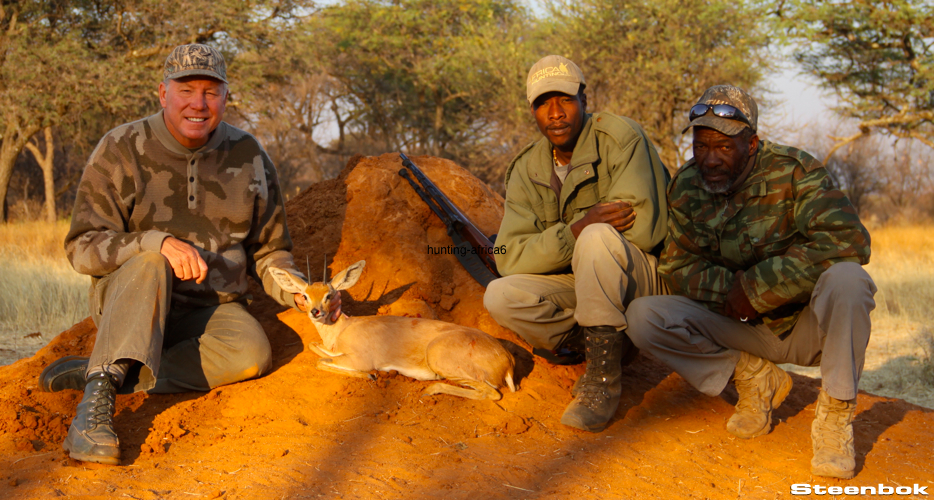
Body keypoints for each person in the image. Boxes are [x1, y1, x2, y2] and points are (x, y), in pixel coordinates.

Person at [37, 44, 337, 465]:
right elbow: (81, 247)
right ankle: (93, 412)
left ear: (226, 98)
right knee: (151, 261)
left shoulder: (250, 157)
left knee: (253, 353)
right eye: (186, 89)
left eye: (211, 92)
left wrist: (300, 293)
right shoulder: (121, 147)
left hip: (212, 308)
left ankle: (117, 372)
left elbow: (270, 252)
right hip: (131, 302)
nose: (199, 103)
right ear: (163, 93)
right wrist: (152, 242)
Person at [626, 85, 875, 479]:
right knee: (643, 316)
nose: (709, 159)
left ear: (752, 143)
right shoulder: (687, 186)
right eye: (701, 144)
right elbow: (677, 264)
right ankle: (754, 378)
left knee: (850, 279)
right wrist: (730, 293)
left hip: (805, 326)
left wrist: (760, 289)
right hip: (739, 325)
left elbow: (848, 240)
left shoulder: (795, 172)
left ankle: (835, 418)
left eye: (724, 147)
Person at [483, 55, 670, 433]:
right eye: (543, 103)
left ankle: (601, 382)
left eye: (565, 100)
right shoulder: (526, 168)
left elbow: (646, 232)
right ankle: (610, 346)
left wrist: (585, 236)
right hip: (583, 283)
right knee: (500, 295)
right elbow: (509, 256)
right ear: (532, 109)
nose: (555, 113)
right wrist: (574, 231)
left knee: (600, 237)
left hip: (646, 281)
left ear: (584, 99)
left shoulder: (621, 138)